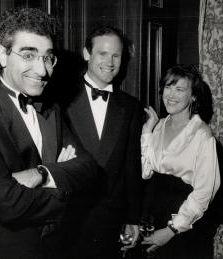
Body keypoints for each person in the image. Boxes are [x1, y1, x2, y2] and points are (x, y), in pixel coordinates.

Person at [0, 8, 99, 259]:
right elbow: (9, 206)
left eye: (48, 57)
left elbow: (88, 166)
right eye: (28, 55)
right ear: (2, 55)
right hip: (6, 249)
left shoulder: (51, 107)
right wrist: (67, 182)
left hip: (56, 246)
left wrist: (42, 173)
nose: (42, 70)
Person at [62, 26, 143, 259]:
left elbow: (131, 166)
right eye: (102, 53)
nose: (110, 62)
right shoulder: (59, 98)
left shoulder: (131, 107)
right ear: (87, 53)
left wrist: (132, 218)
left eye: (116, 55)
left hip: (109, 221)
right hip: (67, 219)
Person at [139, 65, 221, 259]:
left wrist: (170, 231)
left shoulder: (202, 135)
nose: (171, 95)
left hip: (183, 226)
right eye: (168, 87)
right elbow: (145, 172)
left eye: (180, 89)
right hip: (151, 216)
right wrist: (147, 132)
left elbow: (204, 193)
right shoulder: (158, 126)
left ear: (193, 97)